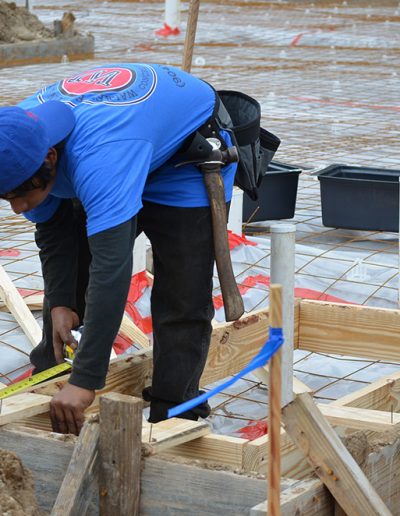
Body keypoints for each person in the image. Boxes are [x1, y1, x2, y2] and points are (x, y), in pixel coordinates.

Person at [0, 62, 237, 435]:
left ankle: (173, 410)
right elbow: (54, 232)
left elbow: (111, 272)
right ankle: (51, 375)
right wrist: (61, 300)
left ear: (50, 158)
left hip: (183, 157)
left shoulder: (101, 159)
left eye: (19, 194)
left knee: (182, 292)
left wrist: (88, 381)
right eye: (5, 197)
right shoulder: (17, 138)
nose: (16, 207)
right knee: (72, 270)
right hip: (123, 140)